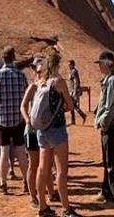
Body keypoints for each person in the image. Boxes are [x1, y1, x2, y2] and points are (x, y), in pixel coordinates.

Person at [23, 53, 81, 217]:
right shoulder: (58, 81)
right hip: (57, 130)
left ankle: (43, 207)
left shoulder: (41, 82)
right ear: (57, 65)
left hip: (41, 130)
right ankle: (67, 209)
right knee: (61, 170)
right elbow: (70, 105)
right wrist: (61, 108)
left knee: (42, 169)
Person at [0, 46, 29, 195]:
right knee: (21, 151)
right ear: (13, 57)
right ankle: (26, 182)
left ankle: (3, 184)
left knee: (4, 152)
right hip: (19, 119)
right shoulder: (21, 76)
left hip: (2, 119)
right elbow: (26, 98)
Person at [93, 50, 114, 206]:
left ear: (106, 64)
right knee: (106, 161)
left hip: (111, 126)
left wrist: (102, 122)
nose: (98, 66)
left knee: (111, 162)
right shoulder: (107, 80)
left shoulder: (112, 81)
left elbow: (110, 107)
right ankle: (105, 191)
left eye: (100, 63)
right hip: (107, 126)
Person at [68, 60, 87, 125]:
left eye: (69, 64)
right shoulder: (72, 71)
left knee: (72, 105)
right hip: (72, 90)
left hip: (73, 91)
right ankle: (81, 116)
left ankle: (76, 119)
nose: (68, 65)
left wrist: (74, 92)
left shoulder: (74, 71)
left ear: (72, 65)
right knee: (73, 105)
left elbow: (76, 81)